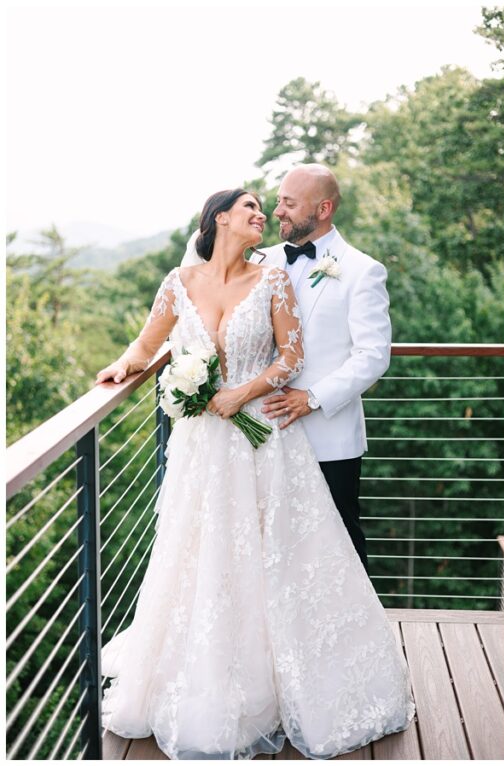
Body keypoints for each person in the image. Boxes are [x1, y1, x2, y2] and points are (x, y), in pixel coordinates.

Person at [94, 189, 414, 759]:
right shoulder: (179, 281)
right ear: (220, 219)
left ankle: (294, 683)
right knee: (202, 555)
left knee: (279, 557)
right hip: (200, 450)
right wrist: (122, 367)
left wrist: (243, 390)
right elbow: (147, 343)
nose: (264, 215)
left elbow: (290, 357)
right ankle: (208, 686)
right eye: (253, 207)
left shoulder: (273, 279)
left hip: (262, 438)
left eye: (274, 206)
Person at [251, 164, 390, 573]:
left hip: (328, 437)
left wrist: (312, 399)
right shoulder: (260, 260)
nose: (278, 212)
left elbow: (373, 355)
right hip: (262, 430)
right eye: (278, 201)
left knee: (340, 543)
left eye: (289, 204)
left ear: (324, 208)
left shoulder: (362, 270)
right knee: (270, 541)